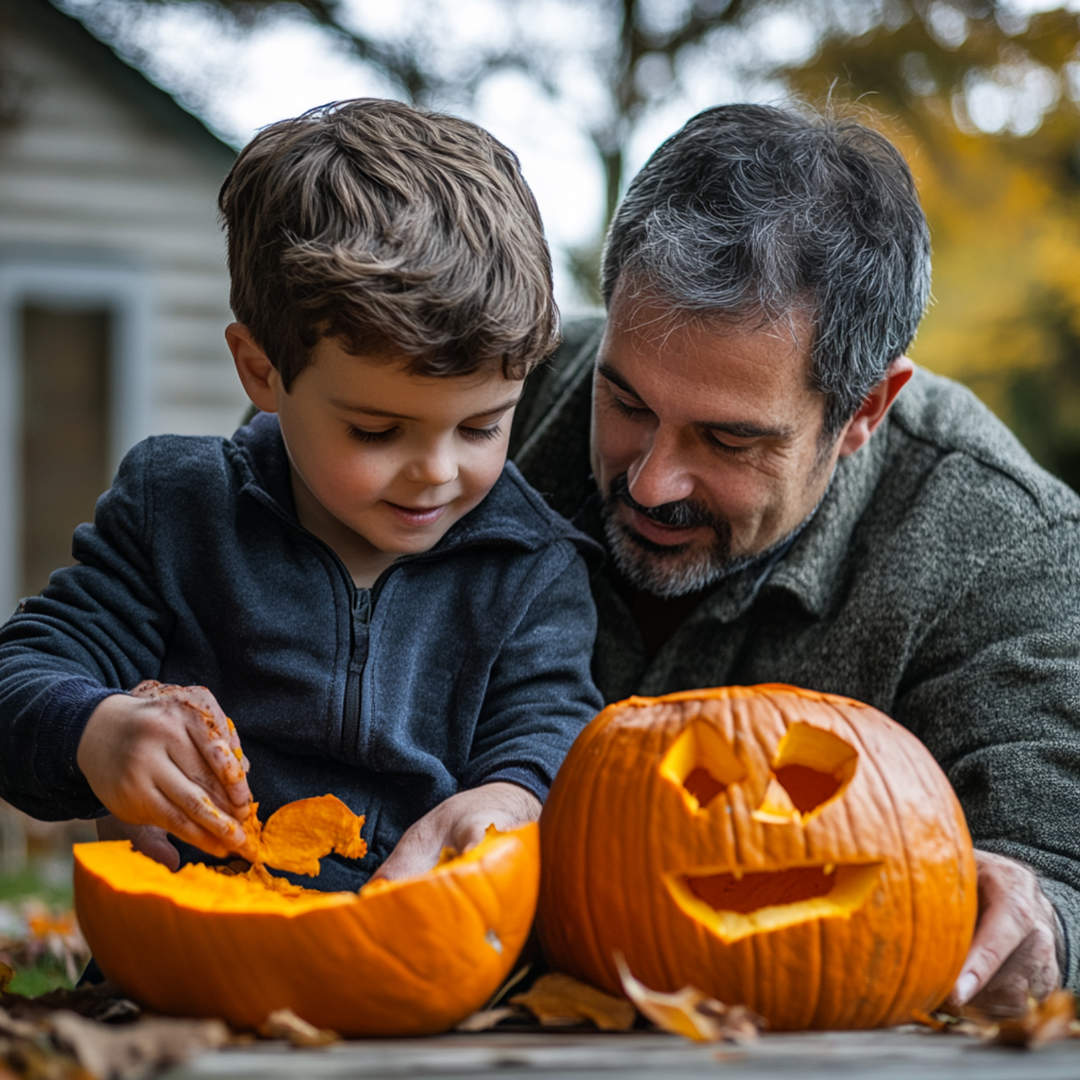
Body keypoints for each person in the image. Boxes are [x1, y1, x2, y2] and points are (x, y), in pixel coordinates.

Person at [510, 101, 1080, 1017]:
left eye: (729, 442)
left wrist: (1044, 922)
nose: (653, 482)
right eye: (624, 404)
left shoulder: (1007, 544)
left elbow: (1059, 867)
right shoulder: (484, 403)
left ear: (864, 411)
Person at [0, 97, 603, 891]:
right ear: (261, 372)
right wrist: (96, 733)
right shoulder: (178, 512)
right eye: (377, 432)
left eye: (482, 428)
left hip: (433, 972)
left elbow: (558, 736)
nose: (436, 470)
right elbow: (22, 676)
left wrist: (510, 797)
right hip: (186, 965)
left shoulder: (533, 568)